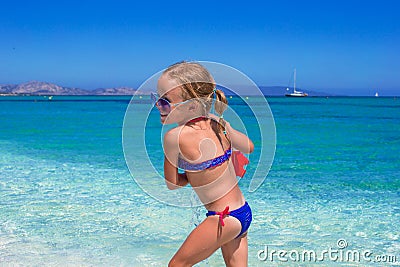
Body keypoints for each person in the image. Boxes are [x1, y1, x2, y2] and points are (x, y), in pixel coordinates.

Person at [153, 61, 254, 267]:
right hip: (242, 212)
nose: (157, 106)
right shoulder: (219, 123)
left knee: (177, 265)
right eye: (156, 99)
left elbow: (172, 184)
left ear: (191, 105)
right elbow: (249, 147)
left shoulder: (174, 137)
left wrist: (192, 175)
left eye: (165, 101)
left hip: (222, 219)